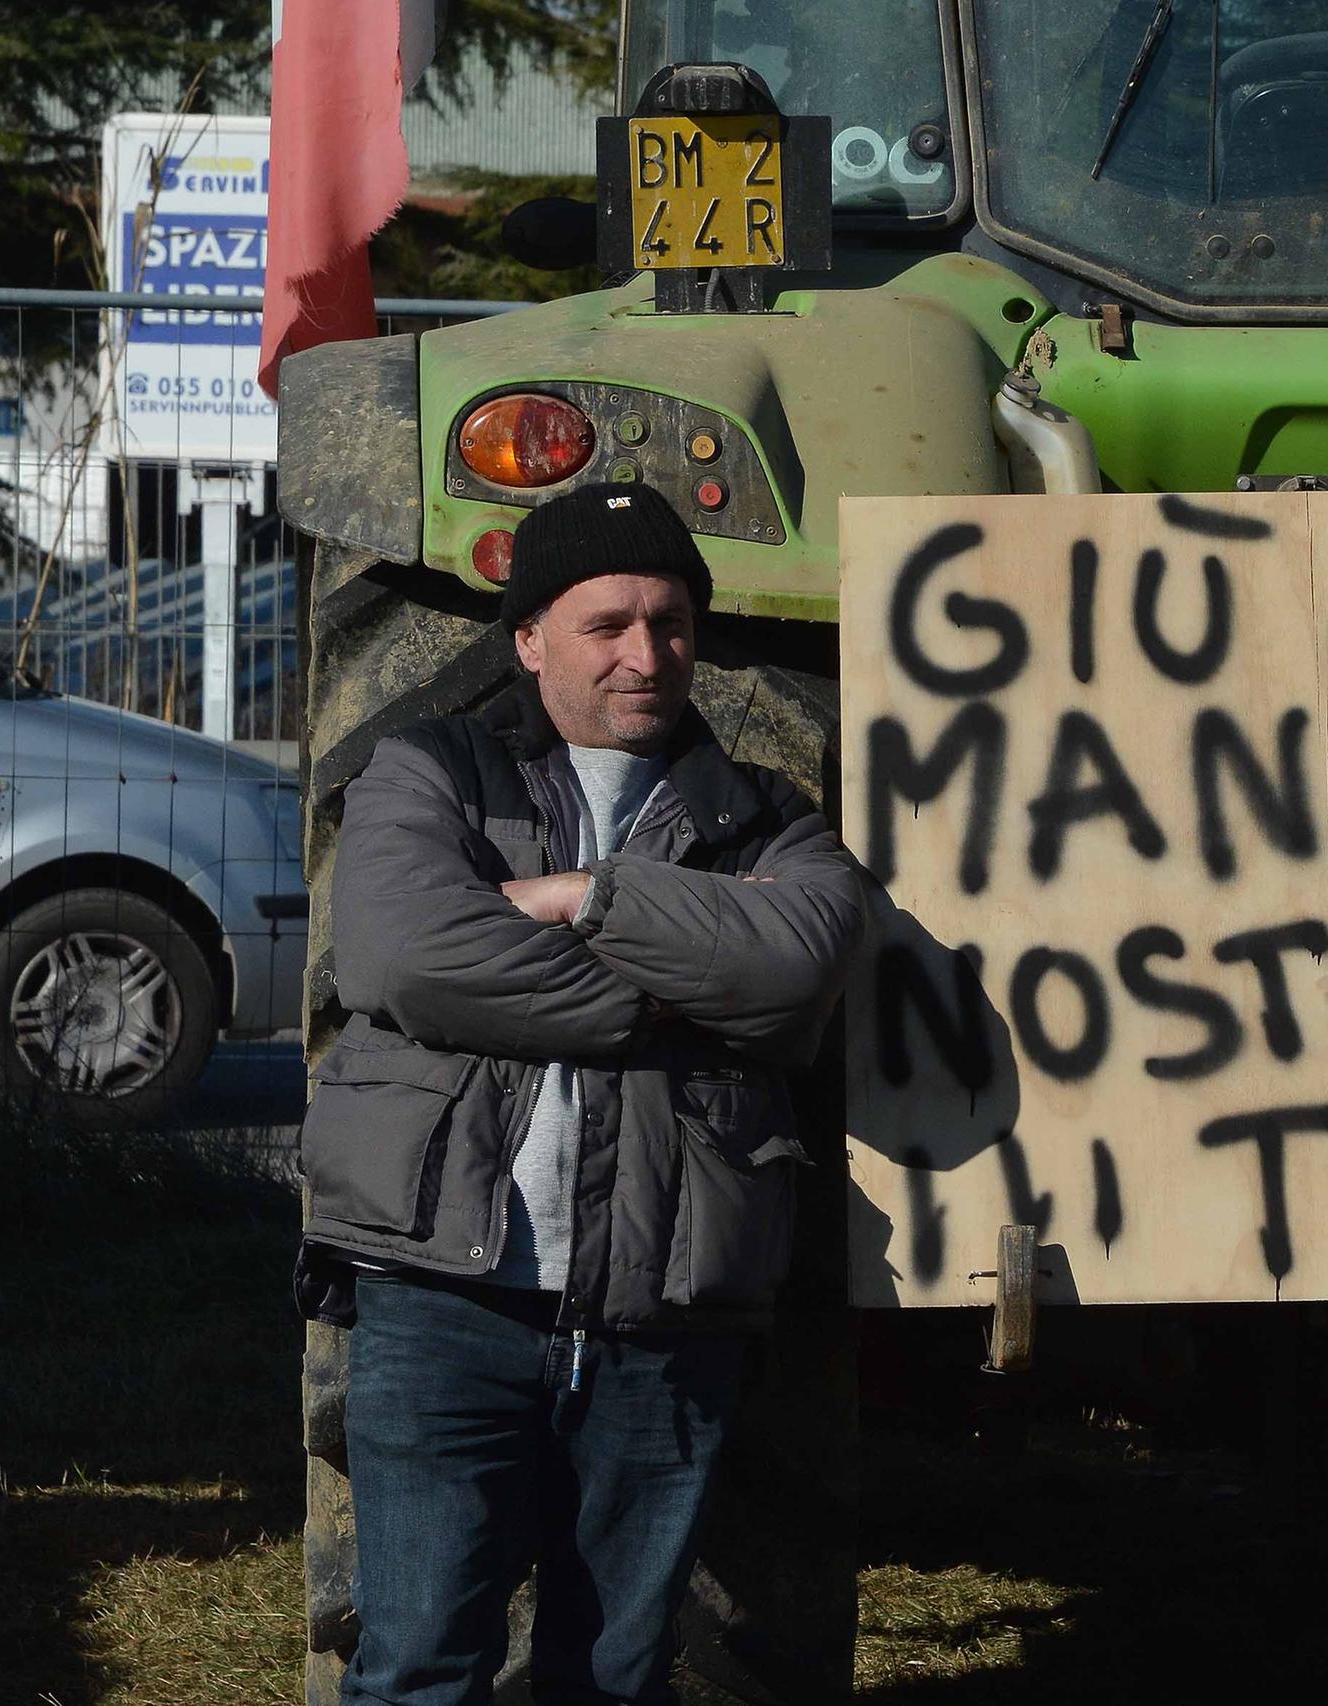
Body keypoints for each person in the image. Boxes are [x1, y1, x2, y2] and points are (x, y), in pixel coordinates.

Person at [294, 482, 865, 1705]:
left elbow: (799, 967)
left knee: (610, 1676)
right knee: (415, 1669)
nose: (645, 654)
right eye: (607, 622)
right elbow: (400, 952)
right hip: (447, 1300)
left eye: (670, 622)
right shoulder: (428, 765)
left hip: (665, 1312)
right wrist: (670, 999)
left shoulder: (766, 817)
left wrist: (582, 899)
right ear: (530, 638)